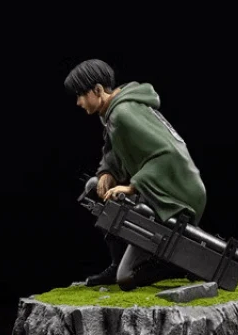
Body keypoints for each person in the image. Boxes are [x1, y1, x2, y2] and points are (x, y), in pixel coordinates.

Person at [65, 59, 207, 291]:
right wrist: (108, 172)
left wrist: (133, 187)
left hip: (178, 195)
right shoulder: (113, 112)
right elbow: (115, 150)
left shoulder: (123, 113)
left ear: (98, 90)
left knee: (127, 279)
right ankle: (116, 263)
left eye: (81, 94)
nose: (78, 102)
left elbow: (167, 154)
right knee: (94, 187)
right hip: (159, 187)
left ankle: (179, 265)